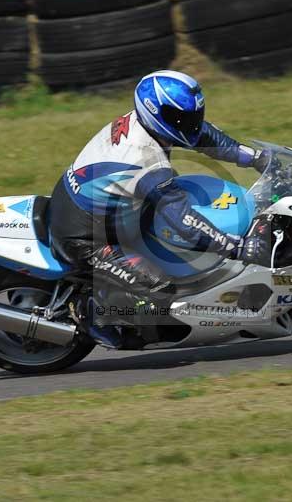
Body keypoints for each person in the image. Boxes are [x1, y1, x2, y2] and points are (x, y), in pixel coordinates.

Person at [50, 70, 269, 347]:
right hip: (86, 236)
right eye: (182, 119)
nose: (190, 124)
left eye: (193, 117)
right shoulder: (145, 157)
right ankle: (92, 314)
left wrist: (255, 158)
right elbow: (184, 221)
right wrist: (236, 247)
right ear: (156, 112)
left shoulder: (151, 125)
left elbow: (204, 136)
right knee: (160, 287)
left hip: (101, 208)